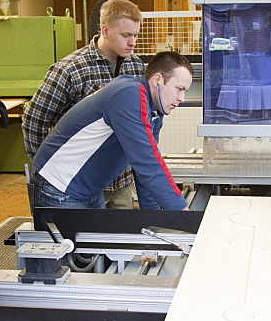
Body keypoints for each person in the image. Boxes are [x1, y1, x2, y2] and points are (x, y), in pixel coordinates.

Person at [29, 51, 192, 211]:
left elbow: (144, 169)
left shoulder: (155, 111)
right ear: (158, 80)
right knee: (71, 239)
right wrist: (183, 214)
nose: (182, 98)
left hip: (89, 188)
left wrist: (155, 218)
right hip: (58, 187)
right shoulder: (129, 94)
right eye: (179, 88)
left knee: (94, 238)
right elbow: (146, 161)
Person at [23, 0, 144, 208]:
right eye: (125, 35)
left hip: (121, 182)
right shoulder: (70, 70)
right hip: (78, 185)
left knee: (119, 239)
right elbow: (34, 122)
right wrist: (50, 172)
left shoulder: (135, 67)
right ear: (105, 31)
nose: (132, 42)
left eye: (135, 35)